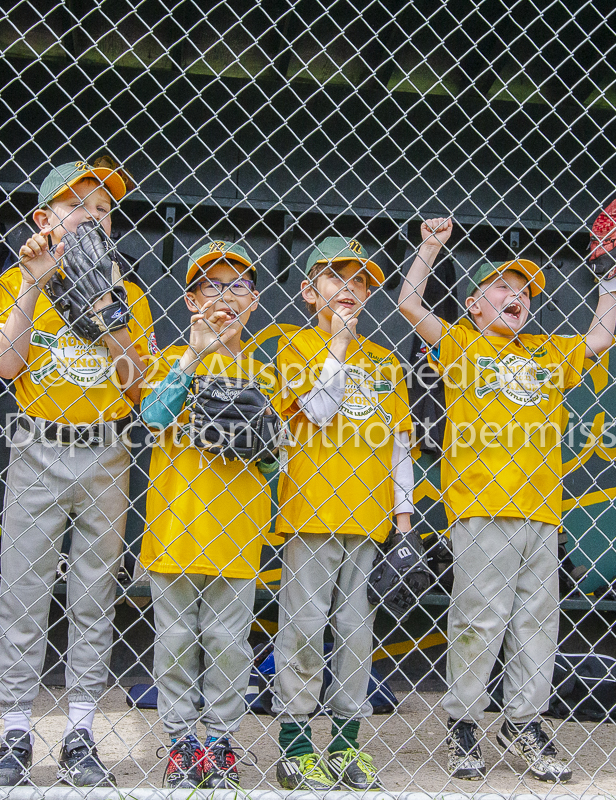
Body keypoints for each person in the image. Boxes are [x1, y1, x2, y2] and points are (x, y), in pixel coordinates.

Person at [396, 217, 616, 782]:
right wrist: (429, 248)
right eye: (501, 287)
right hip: (481, 508)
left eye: (523, 292)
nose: (515, 296)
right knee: (479, 619)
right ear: (472, 304)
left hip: (542, 510)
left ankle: (524, 720)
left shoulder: (547, 352)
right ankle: (464, 723)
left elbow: (599, 340)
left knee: (536, 623)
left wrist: (610, 282)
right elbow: (408, 304)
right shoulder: (462, 343)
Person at [0, 157, 152, 787]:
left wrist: (108, 311)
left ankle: (80, 729)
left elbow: (137, 386)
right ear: (43, 217)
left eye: (104, 208)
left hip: (107, 450)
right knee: (23, 593)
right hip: (36, 445)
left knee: (92, 595)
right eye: (76, 203)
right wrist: (34, 283)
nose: (92, 214)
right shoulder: (15, 278)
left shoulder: (128, 292)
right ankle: (15, 732)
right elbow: (4, 365)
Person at [270, 237, 415, 791]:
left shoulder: (383, 361)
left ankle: (349, 747)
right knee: (304, 632)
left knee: (356, 636)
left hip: (370, 520)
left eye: (359, 280)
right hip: (311, 514)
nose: (349, 288)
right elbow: (321, 407)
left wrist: (403, 526)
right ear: (310, 292)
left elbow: (400, 446)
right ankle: (297, 746)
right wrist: (337, 344)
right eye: (336, 278)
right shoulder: (294, 347)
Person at [139, 241, 280, 789]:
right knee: (174, 643)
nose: (225, 296)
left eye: (238, 286)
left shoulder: (263, 370)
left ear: (255, 300)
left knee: (227, 644)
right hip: (174, 529)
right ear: (192, 299)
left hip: (236, 534)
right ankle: (180, 742)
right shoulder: (170, 358)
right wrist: (195, 357)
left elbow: (273, 459)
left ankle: (219, 741)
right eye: (211, 287)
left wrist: (261, 439)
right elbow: (152, 416)